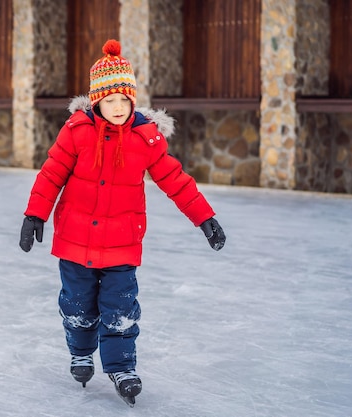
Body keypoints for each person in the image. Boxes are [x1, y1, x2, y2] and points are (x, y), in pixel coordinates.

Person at [19, 39, 225, 404]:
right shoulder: (77, 132)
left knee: (121, 310)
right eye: (109, 100)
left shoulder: (145, 139)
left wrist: (204, 218)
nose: (117, 107)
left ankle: (122, 367)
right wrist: (35, 213)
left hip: (122, 246)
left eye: (124, 100)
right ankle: (81, 353)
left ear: (133, 100)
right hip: (75, 242)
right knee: (78, 306)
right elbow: (51, 173)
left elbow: (175, 180)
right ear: (96, 101)